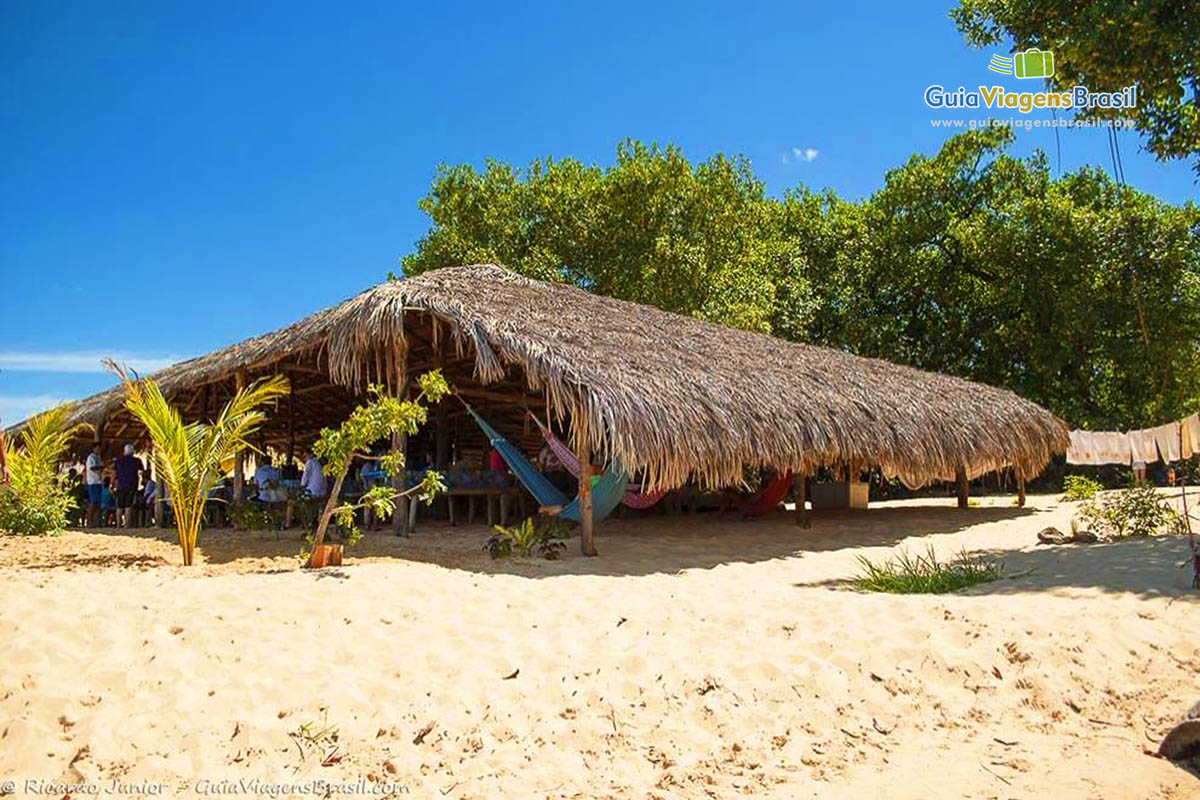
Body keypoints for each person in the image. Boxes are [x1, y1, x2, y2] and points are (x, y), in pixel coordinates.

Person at [113, 445, 143, 528]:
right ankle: (127, 525)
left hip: (120, 485)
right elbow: (142, 469)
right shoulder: (136, 461)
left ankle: (118, 525)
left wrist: (113, 483)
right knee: (128, 505)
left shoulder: (119, 460)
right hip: (131, 485)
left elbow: (114, 472)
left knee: (120, 506)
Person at [84, 443, 104, 527]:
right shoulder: (91, 457)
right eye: (98, 448)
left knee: (98, 503)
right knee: (93, 502)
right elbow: (92, 467)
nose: (99, 450)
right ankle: (89, 521)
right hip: (93, 482)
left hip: (98, 481)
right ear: (94, 448)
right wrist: (100, 467)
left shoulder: (98, 458)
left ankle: (97, 521)